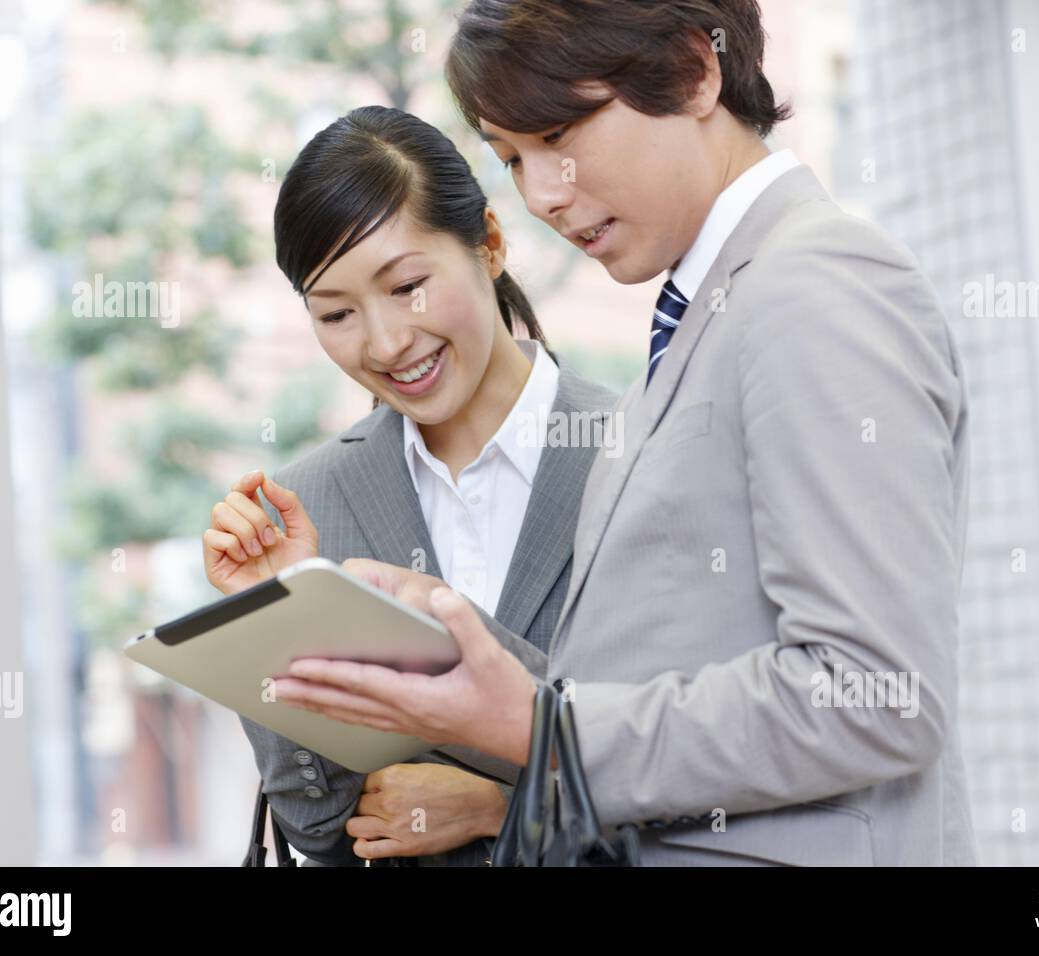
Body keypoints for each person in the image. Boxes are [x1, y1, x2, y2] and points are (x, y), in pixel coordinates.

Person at [275, 0, 978, 865]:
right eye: (512, 159)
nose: (541, 195)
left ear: (694, 69)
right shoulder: (709, 314)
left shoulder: (814, 286)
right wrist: (449, 637)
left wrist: (546, 730)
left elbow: (877, 695)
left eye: (560, 135)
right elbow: (658, 674)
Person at [201, 105, 617, 865]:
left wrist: (509, 807)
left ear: (489, 244)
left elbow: (709, 767)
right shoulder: (311, 502)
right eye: (337, 313)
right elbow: (317, 827)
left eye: (409, 287)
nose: (387, 342)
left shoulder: (637, 455)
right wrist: (274, 620)